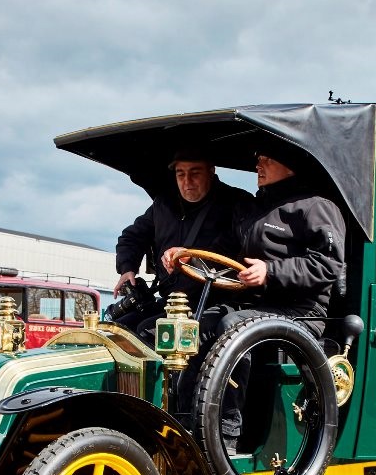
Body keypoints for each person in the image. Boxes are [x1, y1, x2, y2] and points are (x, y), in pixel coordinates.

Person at [167, 145, 346, 449]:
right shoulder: (255, 209)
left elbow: (329, 264)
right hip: (255, 306)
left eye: (267, 159)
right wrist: (185, 255)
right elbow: (224, 254)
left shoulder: (316, 206)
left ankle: (226, 435)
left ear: (289, 164)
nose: (258, 166)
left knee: (233, 325)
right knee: (196, 323)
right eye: (258, 160)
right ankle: (184, 423)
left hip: (301, 313)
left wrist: (271, 271)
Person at [111, 147, 252, 335]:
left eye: (195, 173)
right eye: (180, 174)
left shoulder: (237, 203)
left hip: (218, 303)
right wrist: (127, 267)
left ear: (211, 171)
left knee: (149, 332)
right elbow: (132, 236)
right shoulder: (163, 204)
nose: (187, 182)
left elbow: (235, 249)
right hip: (172, 301)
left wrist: (189, 259)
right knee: (119, 331)